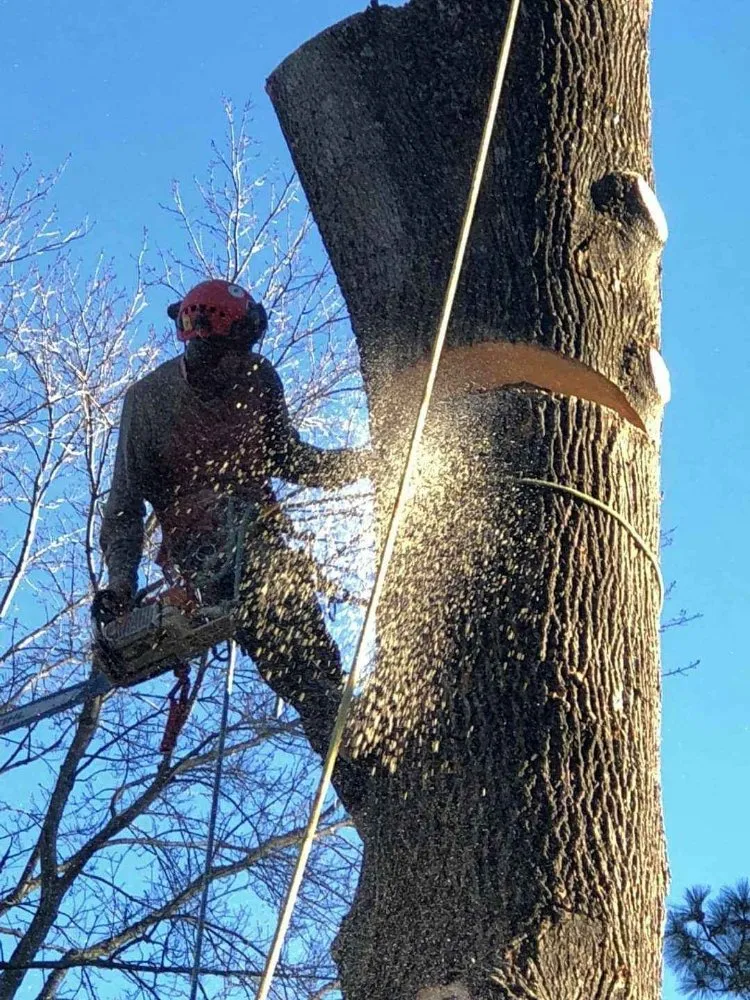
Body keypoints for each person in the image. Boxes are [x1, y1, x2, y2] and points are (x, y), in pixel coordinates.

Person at [99, 278, 368, 755]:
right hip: (203, 549)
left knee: (295, 623)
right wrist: (121, 584)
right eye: (229, 351)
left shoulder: (258, 378)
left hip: (259, 533)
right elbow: (124, 505)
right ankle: (331, 713)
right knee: (274, 618)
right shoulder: (149, 401)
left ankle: (338, 716)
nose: (233, 362)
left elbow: (289, 457)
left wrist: (366, 464)